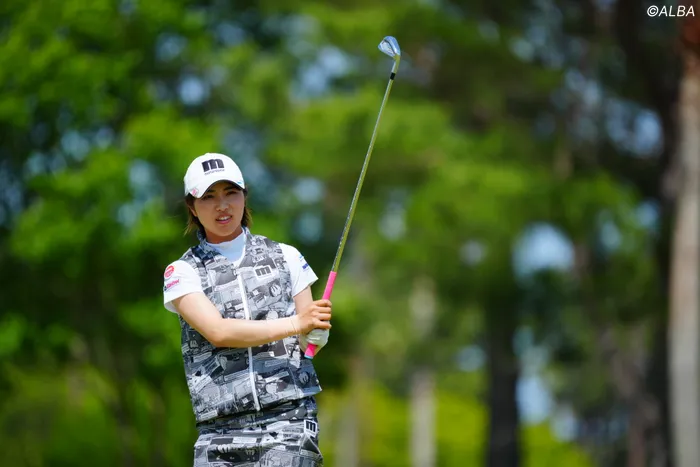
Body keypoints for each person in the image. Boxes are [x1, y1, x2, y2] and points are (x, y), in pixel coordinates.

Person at [162, 153, 332, 466]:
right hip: (218, 431)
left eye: (231, 193)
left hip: (289, 422)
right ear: (192, 207)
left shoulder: (287, 256)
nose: (222, 205)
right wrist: (297, 323)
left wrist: (315, 336)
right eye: (209, 197)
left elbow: (306, 339)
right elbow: (219, 331)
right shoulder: (182, 272)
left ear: (244, 195)